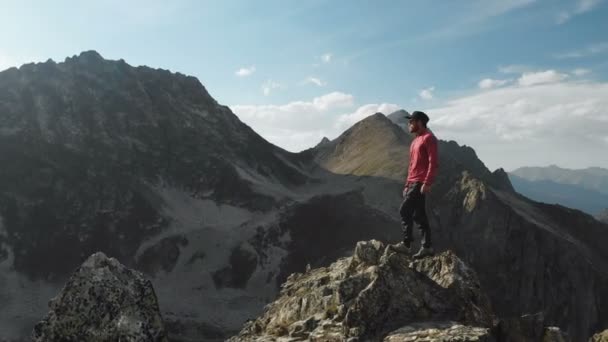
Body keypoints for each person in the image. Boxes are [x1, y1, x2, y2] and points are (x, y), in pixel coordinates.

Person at [390, 111, 439, 259]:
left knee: (404, 211)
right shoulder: (415, 141)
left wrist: (427, 182)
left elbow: (433, 162)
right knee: (419, 215)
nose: (409, 124)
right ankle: (427, 247)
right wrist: (406, 185)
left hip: (419, 183)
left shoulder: (429, 138)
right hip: (411, 182)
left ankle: (406, 245)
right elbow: (412, 165)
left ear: (419, 122)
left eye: (411, 121)